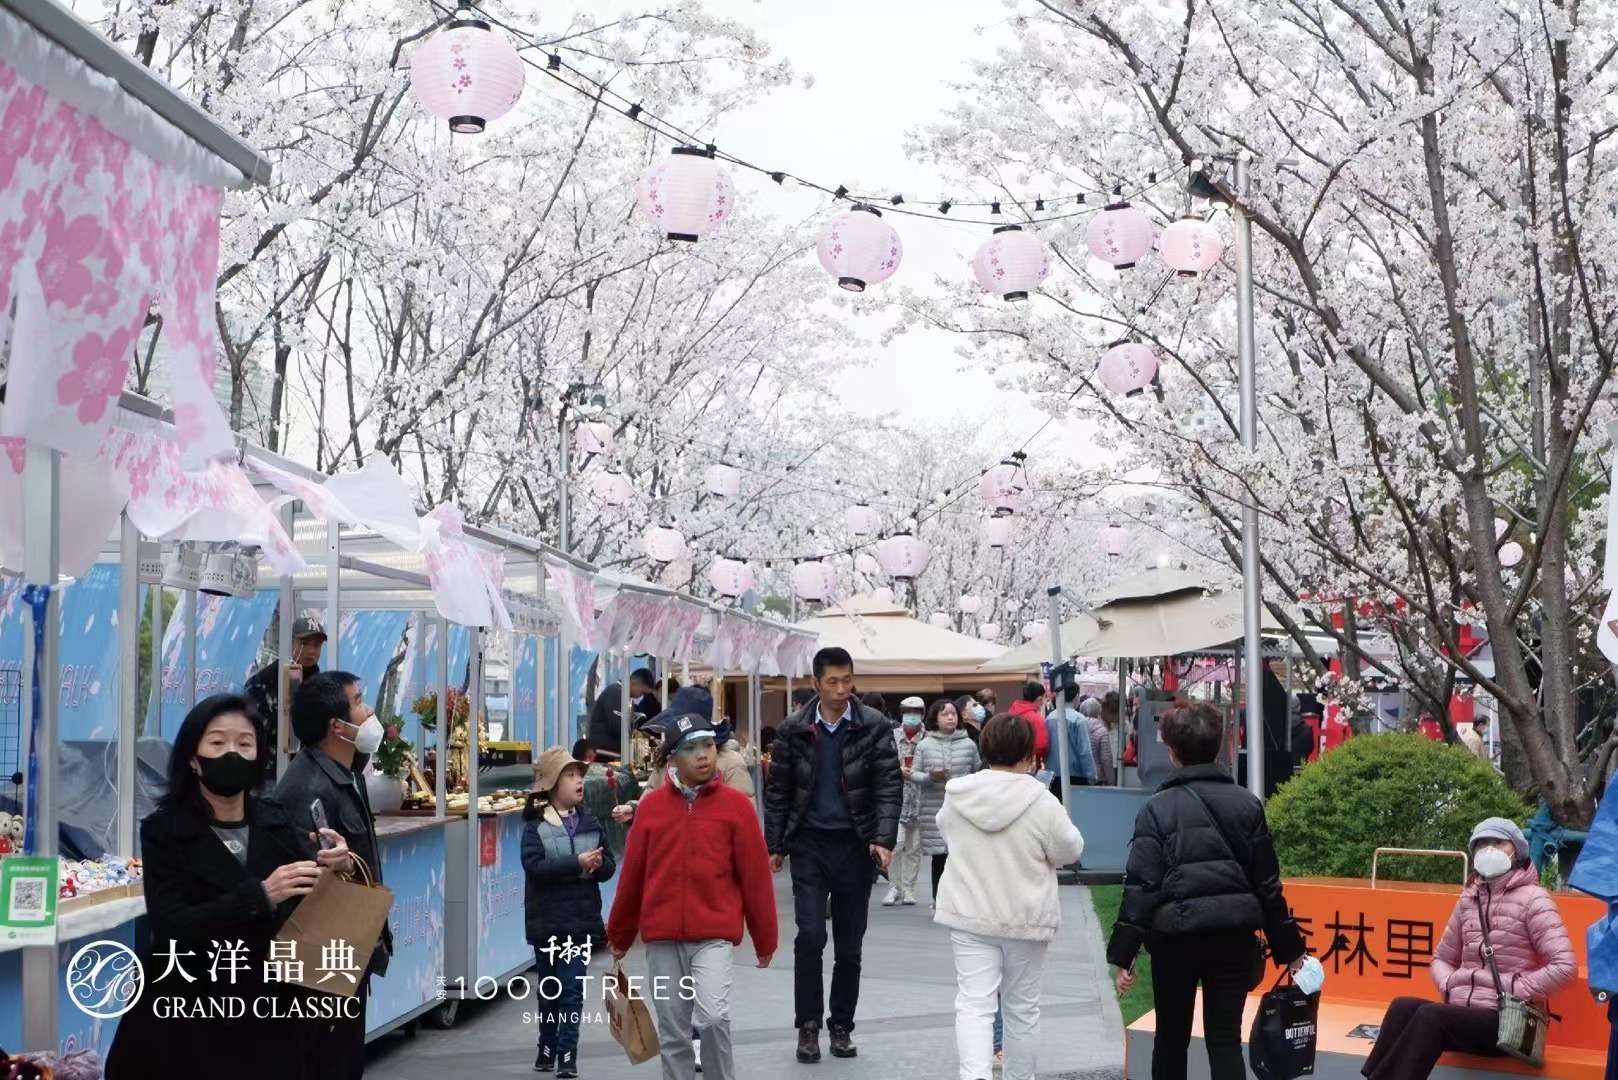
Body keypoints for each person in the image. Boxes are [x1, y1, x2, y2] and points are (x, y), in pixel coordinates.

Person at [105, 694, 352, 1080]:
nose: (232, 753)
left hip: (270, 1020)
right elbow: (172, 926)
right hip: (189, 1019)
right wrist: (259, 897)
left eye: (245, 744)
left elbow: (308, 907)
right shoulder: (164, 830)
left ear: (258, 757)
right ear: (192, 757)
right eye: (217, 743)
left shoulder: (278, 821)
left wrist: (337, 862)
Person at [1106, 702, 1307, 1080]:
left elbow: (1141, 886)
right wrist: (1292, 950)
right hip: (1232, 935)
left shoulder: (1157, 808)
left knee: (1170, 1038)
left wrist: (1125, 952)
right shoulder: (1247, 804)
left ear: (1172, 751)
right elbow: (1267, 885)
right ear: (1219, 747)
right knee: (1225, 1041)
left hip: (1174, 937)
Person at [607, 709, 778, 1080]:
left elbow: (755, 877)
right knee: (673, 1030)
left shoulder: (736, 808)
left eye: (708, 746)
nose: (703, 755)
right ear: (672, 759)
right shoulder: (651, 807)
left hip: (713, 935)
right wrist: (619, 935)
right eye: (691, 748)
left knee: (714, 1017)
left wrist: (765, 938)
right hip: (662, 938)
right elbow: (632, 876)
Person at [764, 646, 902, 1063]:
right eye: (832, 682)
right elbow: (778, 792)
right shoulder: (792, 728)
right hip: (808, 845)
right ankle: (808, 1025)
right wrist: (775, 844)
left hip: (854, 846)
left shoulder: (874, 726)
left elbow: (889, 786)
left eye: (847, 680)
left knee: (849, 945)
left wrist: (883, 838)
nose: (841, 690)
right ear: (815, 684)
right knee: (809, 937)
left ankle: (840, 1025)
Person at [1362, 818, 1575, 1080]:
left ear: (1516, 850)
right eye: (1481, 844)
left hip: (1506, 1022)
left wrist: (1514, 988)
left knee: (1431, 1017)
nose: (1488, 850)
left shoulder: (1534, 899)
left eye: (1497, 843)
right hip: (1465, 1013)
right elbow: (1441, 958)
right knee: (1402, 1007)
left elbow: (1565, 967)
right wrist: (1450, 982)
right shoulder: (1469, 898)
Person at [936, 713, 1085, 1080]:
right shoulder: (1041, 799)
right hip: (1026, 916)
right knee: (1022, 1009)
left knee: (973, 1004)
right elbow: (1070, 850)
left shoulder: (959, 793)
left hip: (969, 913)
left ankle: (975, 1076)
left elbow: (945, 831)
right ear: (1028, 755)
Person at [266, 671, 392, 1080]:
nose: (369, 710)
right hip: (320, 966)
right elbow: (316, 890)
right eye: (359, 701)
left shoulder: (347, 773)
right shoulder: (307, 789)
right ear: (336, 726)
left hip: (345, 959)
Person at [523, 747, 615, 1077]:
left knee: (572, 990)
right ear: (551, 784)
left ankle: (567, 1057)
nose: (579, 781)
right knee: (550, 991)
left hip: (579, 923)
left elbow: (609, 866)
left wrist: (601, 864)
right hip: (547, 923)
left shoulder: (590, 820)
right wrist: (574, 863)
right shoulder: (535, 826)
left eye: (580, 775)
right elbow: (534, 867)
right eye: (570, 775)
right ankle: (546, 1047)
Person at [913, 698, 982, 907]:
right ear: (935, 718)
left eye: (953, 713)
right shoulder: (924, 745)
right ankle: (938, 900)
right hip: (934, 808)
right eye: (945, 714)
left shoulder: (969, 744)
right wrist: (929, 777)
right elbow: (914, 774)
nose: (950, 717)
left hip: (962, 808)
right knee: (939, 858)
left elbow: (978, 773)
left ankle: (961, 901)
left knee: (961, 858)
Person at [243, 617, 326, 772]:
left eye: (316, 645)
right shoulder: (264, 682)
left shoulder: (323, 686)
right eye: (304, 643)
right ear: (290, 643)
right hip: (270, 773)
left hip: (310, 772)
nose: (310, 651)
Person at [885, 698, 928, 906]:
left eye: (916, 711)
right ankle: (894, 885)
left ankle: (909, 888)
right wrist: (897, 770)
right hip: (896, 798)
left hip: (920, 800)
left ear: (922, 714)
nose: (911, 715)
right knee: (895, 844)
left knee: (913, 848)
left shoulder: (928, 739)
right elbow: (882, 763)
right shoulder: (892, 736)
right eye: (908, 711)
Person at [1046, 683, 1097, 799]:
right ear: (1076, 697)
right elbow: (1085, 752)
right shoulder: (1079, 719)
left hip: (1053, 777)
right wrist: (1092, 777)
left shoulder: (1049, 718)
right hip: (1076, 778)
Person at [1007, 681, 1051, 765]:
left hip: (1009, 763)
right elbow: (1041, 745)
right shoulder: (1036, 718)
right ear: (1039, 699)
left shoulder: (1009, 714)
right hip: (1029, 764)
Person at [1083, 697, 1116, 787]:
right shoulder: (1102, 731)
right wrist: (1111, 781)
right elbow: (1106, 759)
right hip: (1098, 778)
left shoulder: (1077, 729)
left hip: (1080, 776)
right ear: (1098, 713)